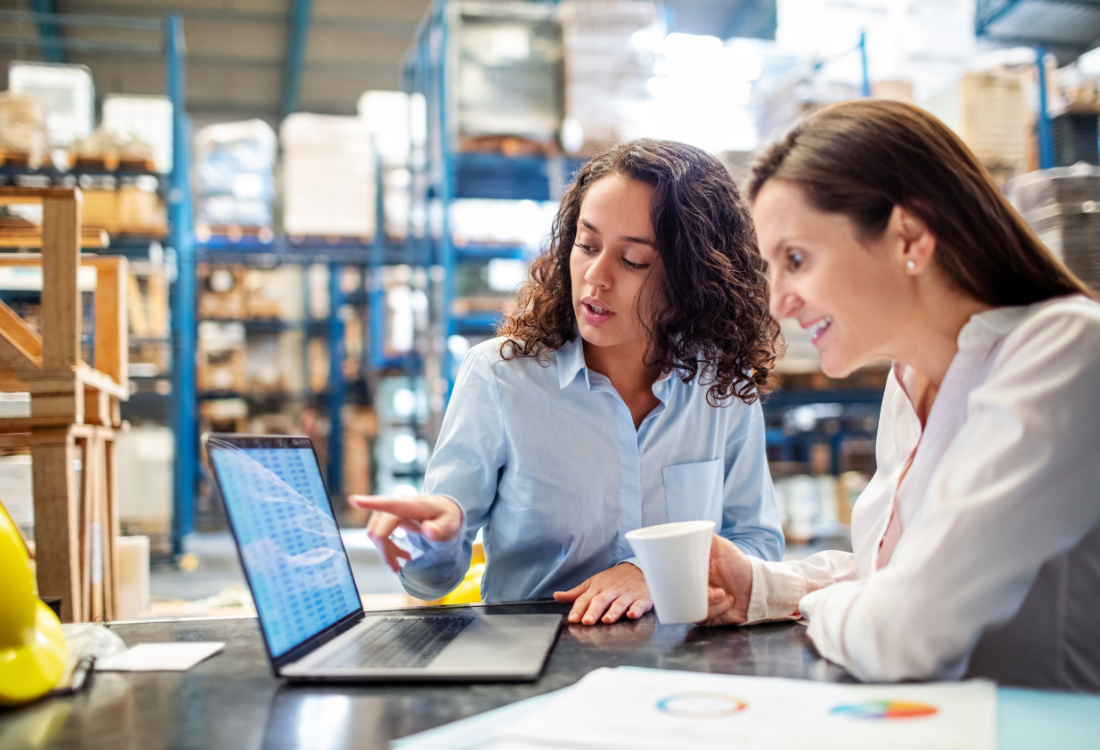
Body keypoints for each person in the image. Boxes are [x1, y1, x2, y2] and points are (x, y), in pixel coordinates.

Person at [702, 99, 1100, 691]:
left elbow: (901, 632)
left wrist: (819, 606)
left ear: (909, 237)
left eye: (797, 259)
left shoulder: (1065, 351)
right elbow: (901, 571)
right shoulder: (908, 380)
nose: (777, 303)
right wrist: (761, 587)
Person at [352, 139, 785, 626]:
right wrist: (437, 539)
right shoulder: (500, 377)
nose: (596, 277)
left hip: (680, 666)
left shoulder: (723, 387)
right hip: (536, 662)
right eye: (587, 244)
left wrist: (652, 572)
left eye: (633, 261)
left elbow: (758, 544)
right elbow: (430, 583)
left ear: (693, 278)